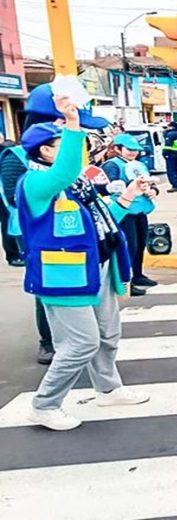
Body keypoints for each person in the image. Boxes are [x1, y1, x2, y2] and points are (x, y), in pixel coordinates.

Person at [18, 97, 152, 431]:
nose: (78, 149)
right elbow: (63, 171)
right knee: (81, 344)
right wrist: (73, 123)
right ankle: (44, 405)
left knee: (108, 334)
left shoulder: (77, 185)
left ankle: (108, 388)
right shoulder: (36, 183)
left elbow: (102, 222)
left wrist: (129, 195)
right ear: (47, 152)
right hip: (65, 277)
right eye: (64, 144)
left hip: (97, 268)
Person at [1, 83, 109, 365]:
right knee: (51, 287)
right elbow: (16, 197)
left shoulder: (67, 150)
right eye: (72, 121)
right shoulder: (18, 158)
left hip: (77, 231)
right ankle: (49, 340)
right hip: (41, 233)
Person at [98, 134, 161, 295]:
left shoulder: (139, 165)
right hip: (124, 210)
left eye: (136, 150)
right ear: (117, 149)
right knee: (129, 245)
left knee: (140, 243)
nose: (133, 153)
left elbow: (149, 182)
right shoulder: (112, 165)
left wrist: (153, 191)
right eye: (129, 149)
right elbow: (108, 187)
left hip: (141, 208)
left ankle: (138, 274)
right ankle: (127, 281)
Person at [162, 121, 177, 193]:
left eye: (168, 126)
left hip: (172, 155)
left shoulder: (170, 134)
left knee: (171, 170)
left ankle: (175, 186)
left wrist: (164, 153)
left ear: (172, 127)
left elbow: (168, 145)